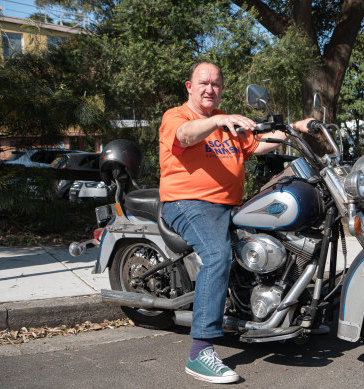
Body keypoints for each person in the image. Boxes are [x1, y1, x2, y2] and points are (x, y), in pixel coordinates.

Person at [158, 62, 314, 384]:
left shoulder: (226, 124)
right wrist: (217, 119)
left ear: (222, 88)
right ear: (189, 86)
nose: (209, 89)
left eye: (215, 84)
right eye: (203, 83)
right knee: (218, 255)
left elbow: (257, 143)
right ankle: (200, 351)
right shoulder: (179, 117)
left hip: (229, 205)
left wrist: (296, 127)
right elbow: (185, 137)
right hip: (188, 203)